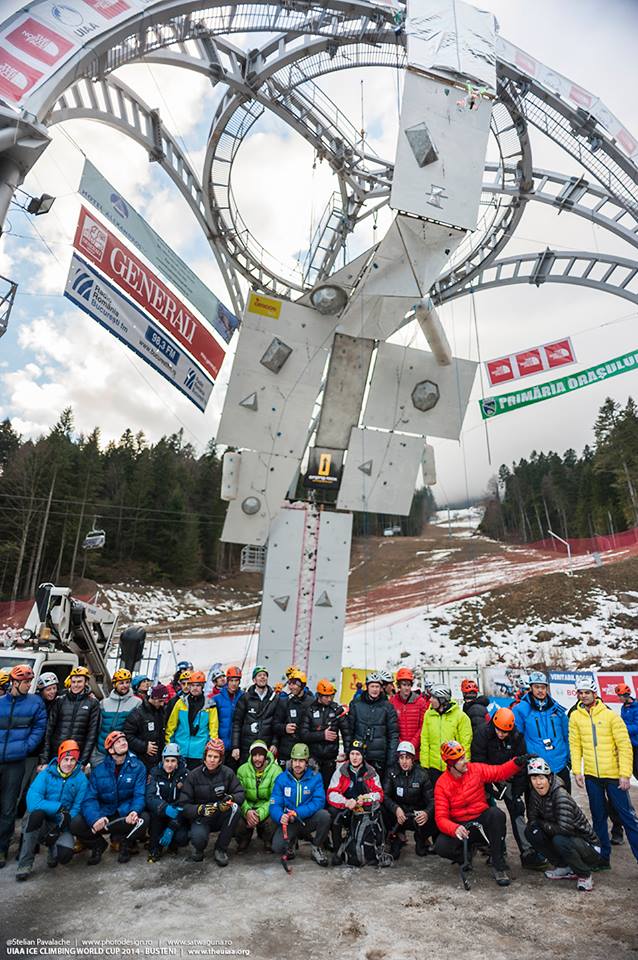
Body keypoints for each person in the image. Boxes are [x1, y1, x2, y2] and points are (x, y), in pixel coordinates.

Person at [433, 740, 530, 886]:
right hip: (461, 827)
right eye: (460, 760)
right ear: (451, 764)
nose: (465, 761)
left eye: (464, 757)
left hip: (480, 822)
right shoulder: (442, 784)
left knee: (496, 814)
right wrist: (455, 829)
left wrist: (517, 762)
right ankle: (465, 856)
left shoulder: (476, 769)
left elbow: (499, 772)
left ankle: (499, 865)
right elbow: (441, 818)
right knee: (441, 845)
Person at [568, 676, 638, 866]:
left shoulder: (610, 715)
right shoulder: (575, 716)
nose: (584, 696)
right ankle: (602, 858)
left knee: (628, 818)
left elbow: (624, 746)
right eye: (580, 693)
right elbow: (575, 745)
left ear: (595, 693)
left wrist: (625, 774)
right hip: (592, 776)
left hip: (614, 776)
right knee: (598, 818)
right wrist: (577, 771)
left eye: (587, 692)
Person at [471, 706, 544, 868]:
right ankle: (496, 850)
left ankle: (527, 852)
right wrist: (489, 788)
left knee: (517, 810)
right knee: (489, 813)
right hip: (487, 775)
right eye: (499, 731)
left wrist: (517, 793)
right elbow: (478, 763)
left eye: (505, 732)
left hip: (510, 777)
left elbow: (521, 765)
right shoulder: (482, 734)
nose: (502, 734)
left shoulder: (517, 737)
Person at [525, 756, 604, 892]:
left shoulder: (560, 795)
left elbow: (564, 829)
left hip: (588, 846)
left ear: (549, 778)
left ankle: (585, 874)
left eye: (541, 778)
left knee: (559, 839)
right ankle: (563, 867)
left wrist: (541, 824)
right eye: (534, 778)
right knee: (531, 831)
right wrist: (538, 825)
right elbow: (532, 820)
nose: (538, 783)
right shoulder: (534, 795)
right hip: (563, 836)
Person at [72, 730, 148, 866]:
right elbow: (89, 799)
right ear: (111, 750)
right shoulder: (99, 770)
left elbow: (139, 794)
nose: (123, 743)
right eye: (118, 742)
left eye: (124, 740)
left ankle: (126, 843)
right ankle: (97, 845)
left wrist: (134, 811)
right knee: (76, 822)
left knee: (145, 819)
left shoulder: (138, 767)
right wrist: (95, 818)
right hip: (105, 814)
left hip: (125, 814)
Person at [16, 739, 88, 881]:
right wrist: (59, 808)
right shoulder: (45, 774)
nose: (68, 763)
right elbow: (33, 802)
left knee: (65, 856)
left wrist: (62, 826)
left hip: (59, 823)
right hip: (40, 821)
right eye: (66, 759)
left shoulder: (81, 779)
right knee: (36, 814)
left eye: (73, 760)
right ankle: (25, 863)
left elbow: (77, 806)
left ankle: (52, 850)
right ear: (60, 758)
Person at [0, 665, 47, 868]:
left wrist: (26, 747)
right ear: (14, 683)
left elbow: (39, 727)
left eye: (30, 681)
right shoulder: (1, 703)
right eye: (26, 682)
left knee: (9, 807)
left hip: (16, 762)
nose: (29, 685)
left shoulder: (35, 703)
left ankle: (1, 848)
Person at [179, 738, 244, 866]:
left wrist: (230, 798)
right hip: (202, 816)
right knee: (198, 840)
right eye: (209, 756)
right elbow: (184, 806)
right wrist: (200, 809)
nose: (212, 760)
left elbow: (240, 793)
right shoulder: (193, 775)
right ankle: (197, 848)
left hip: (220, 813)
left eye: (215, 757)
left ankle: (220, 849)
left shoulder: (228, 773)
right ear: (204, 757)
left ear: (220, 759)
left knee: (235, 808)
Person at [270, 742, 330, 866]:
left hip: (307, 819)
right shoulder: (282, 778)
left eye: (301, 761)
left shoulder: (315, 777)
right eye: (295, 760)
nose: (297, 764)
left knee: (325, 816)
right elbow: (274, 803)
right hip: (290, 821)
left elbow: (319, 802)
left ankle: (316, 847)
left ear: (307, 762)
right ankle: (290, 844)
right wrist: (281, 816)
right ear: (291, 761)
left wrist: (297, 812)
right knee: (277, 847)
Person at [327, 740, 385, 866]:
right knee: (333, 813)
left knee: (381, 811)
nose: (354, 757)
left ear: (363, 756)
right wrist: (346, 802)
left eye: (358, 754)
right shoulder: (341, 770)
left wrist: (366, 798)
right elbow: (331, 793)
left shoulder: (370, 772)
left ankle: (369, 847)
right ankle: (337, 850)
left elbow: (379, 794)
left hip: (364, 812)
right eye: (352, 753)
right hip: (347, 809)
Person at [514, 671, 571, 791]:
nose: (540, 690)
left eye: (543, 687)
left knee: (564, 805)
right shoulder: (520, 709)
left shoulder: (557, 709)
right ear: (530, 688)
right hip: (535, 767)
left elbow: (567, 735)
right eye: (536, 687)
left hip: (559, 765)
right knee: (537, 807)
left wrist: (569, 760)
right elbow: (516, 738)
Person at [39, 666, 100, 772]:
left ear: (86, 682)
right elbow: (49, 730)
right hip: (56, 753)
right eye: (73, 681)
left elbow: (92, 735)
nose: (76, 685)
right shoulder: (60, 700)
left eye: (79, 681)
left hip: (76, 755)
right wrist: (44, 760)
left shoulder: (93, 703)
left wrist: (83, 761)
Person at [383, 741, 434, 859]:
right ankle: (397, 836)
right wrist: (396, 809)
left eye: (407, 758)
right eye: (401, 758)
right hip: (399, 816)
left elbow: (432, 800)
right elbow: (385, 796)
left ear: (413, 759)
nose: (404, 761)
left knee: (421, 852)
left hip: (416, 814)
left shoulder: (422, 774)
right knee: (382, 809)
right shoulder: (391, 772)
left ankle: (421, 837)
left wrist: (426, 813)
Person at [346, 672, 399, 780]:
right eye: (372, 686)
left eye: (377, 686)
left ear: (381, 688)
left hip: (379, 757)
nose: (375, 689)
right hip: (359, 754)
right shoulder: (356, 704)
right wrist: (348, 752)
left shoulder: (388, 707)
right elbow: (349, 730)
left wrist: (391, 758)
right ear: (367, 687)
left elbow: (393, 734)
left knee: (376, 789)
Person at [419, 685, 472, 790]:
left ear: (442, 700)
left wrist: (463, 766)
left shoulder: (461, 717)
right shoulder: (428, 715)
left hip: (453, 767)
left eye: (433, 697)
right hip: (433, 768)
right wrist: (425, 765)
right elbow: (425, 740)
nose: (430, 700)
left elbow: (465, 744)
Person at [300, 679, 348, 790]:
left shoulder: (337, 710)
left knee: (327, 788)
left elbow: (346, 733)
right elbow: (303, 734)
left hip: (330, 759)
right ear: (319, 696)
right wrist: (322, 735)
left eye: (331, 696)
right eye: (326, 696)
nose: (329, 699)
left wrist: (347, 752)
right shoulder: (310, 710)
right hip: (313, 758)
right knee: (311, 788)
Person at [165, 671, 219, 770]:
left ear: (202, 686)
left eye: (198, 685)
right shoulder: (180, 703)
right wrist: (169, 746)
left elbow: (213, 730)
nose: (194, 688)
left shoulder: (210, 705)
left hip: (199, 752)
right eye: (192, 685)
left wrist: (210, 751)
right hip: (180, 750)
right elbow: (171, 727)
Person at [145, 743, 189, 862]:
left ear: (178, 761)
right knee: (155, 821)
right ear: (163, 760)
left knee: (182, 837)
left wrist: (172, 827)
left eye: (173, 761)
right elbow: (150, 797)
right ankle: (155, 848)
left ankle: (173, 844)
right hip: (161, 811)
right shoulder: (154, 773)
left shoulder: (185, 774)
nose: (169, 764)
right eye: (167, 760)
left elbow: (187, 799)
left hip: (176, 813)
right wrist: (164, 808)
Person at [235, 741, 281, 852]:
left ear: (265, 756)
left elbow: (274, 798)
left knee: (274, 816)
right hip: (248, 805)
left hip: (266, 806)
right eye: (254, 755)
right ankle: (244, 839)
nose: (257, 758)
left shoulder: (276, 771)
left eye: (260, 755)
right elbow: (239, 794)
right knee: (235, 813)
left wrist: (259, 814)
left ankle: (267, 839)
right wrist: (247, 811)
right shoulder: (242, 770)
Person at [231, 666, 279, 764]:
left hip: (266, 745)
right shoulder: (245, 698)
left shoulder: (275, 698)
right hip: (247, 746)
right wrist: (235, 746)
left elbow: (277, 723)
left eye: (265, 675)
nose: (262, 677)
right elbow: (237, 723)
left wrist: (275, 743)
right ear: (254, 679)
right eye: (259, 675)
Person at [123, 683, 170, 771]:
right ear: (154, 698)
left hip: (158, 761)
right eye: (160, 701)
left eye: (164, 701)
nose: (162, 704)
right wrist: (144, 746)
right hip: (142, 761)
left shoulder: (162, 712)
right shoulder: (137, 714)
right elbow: (127, 735)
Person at [274, 668, 314, 767]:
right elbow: (275, 724)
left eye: (294, 684)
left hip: (306, 749)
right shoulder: (284, 701)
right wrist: (284, 728)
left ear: (302, 685)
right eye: (290, 684)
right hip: (286, 750)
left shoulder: (312, 702)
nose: (292, 687)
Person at [95, 668, 140, 759]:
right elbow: (97, 726)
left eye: (127, 682)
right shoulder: (104, 703)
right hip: (101, 751)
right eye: (121, 683)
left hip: (122, 752)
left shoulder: (137, 703)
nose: (125, 685)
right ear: (115, 685)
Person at [390, 668, 427, 754]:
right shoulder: (392, 701)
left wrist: (412, 744)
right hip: (398, 749)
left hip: (416, 750)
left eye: (409, 685)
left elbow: (423, 726)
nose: (407, 688)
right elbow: (391, 726)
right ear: (399, 686)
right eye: (404, 685)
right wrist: (401, 744)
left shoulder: (420, 702)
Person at [213, 666, 243, 764]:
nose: (234, 683)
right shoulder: (217, 699)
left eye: (236, 680)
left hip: (238, 745)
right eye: (231, 680)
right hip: (221, 743)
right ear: (227, 681)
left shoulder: (244, 697)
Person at [616, 683, 638, 779]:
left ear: (626, 695)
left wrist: (623, 728)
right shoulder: (624, 707)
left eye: (620, 696)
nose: (619, 699)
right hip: (628, 743)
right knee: (633, 769)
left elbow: (636, 727)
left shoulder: (636, 708)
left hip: (636, 743)